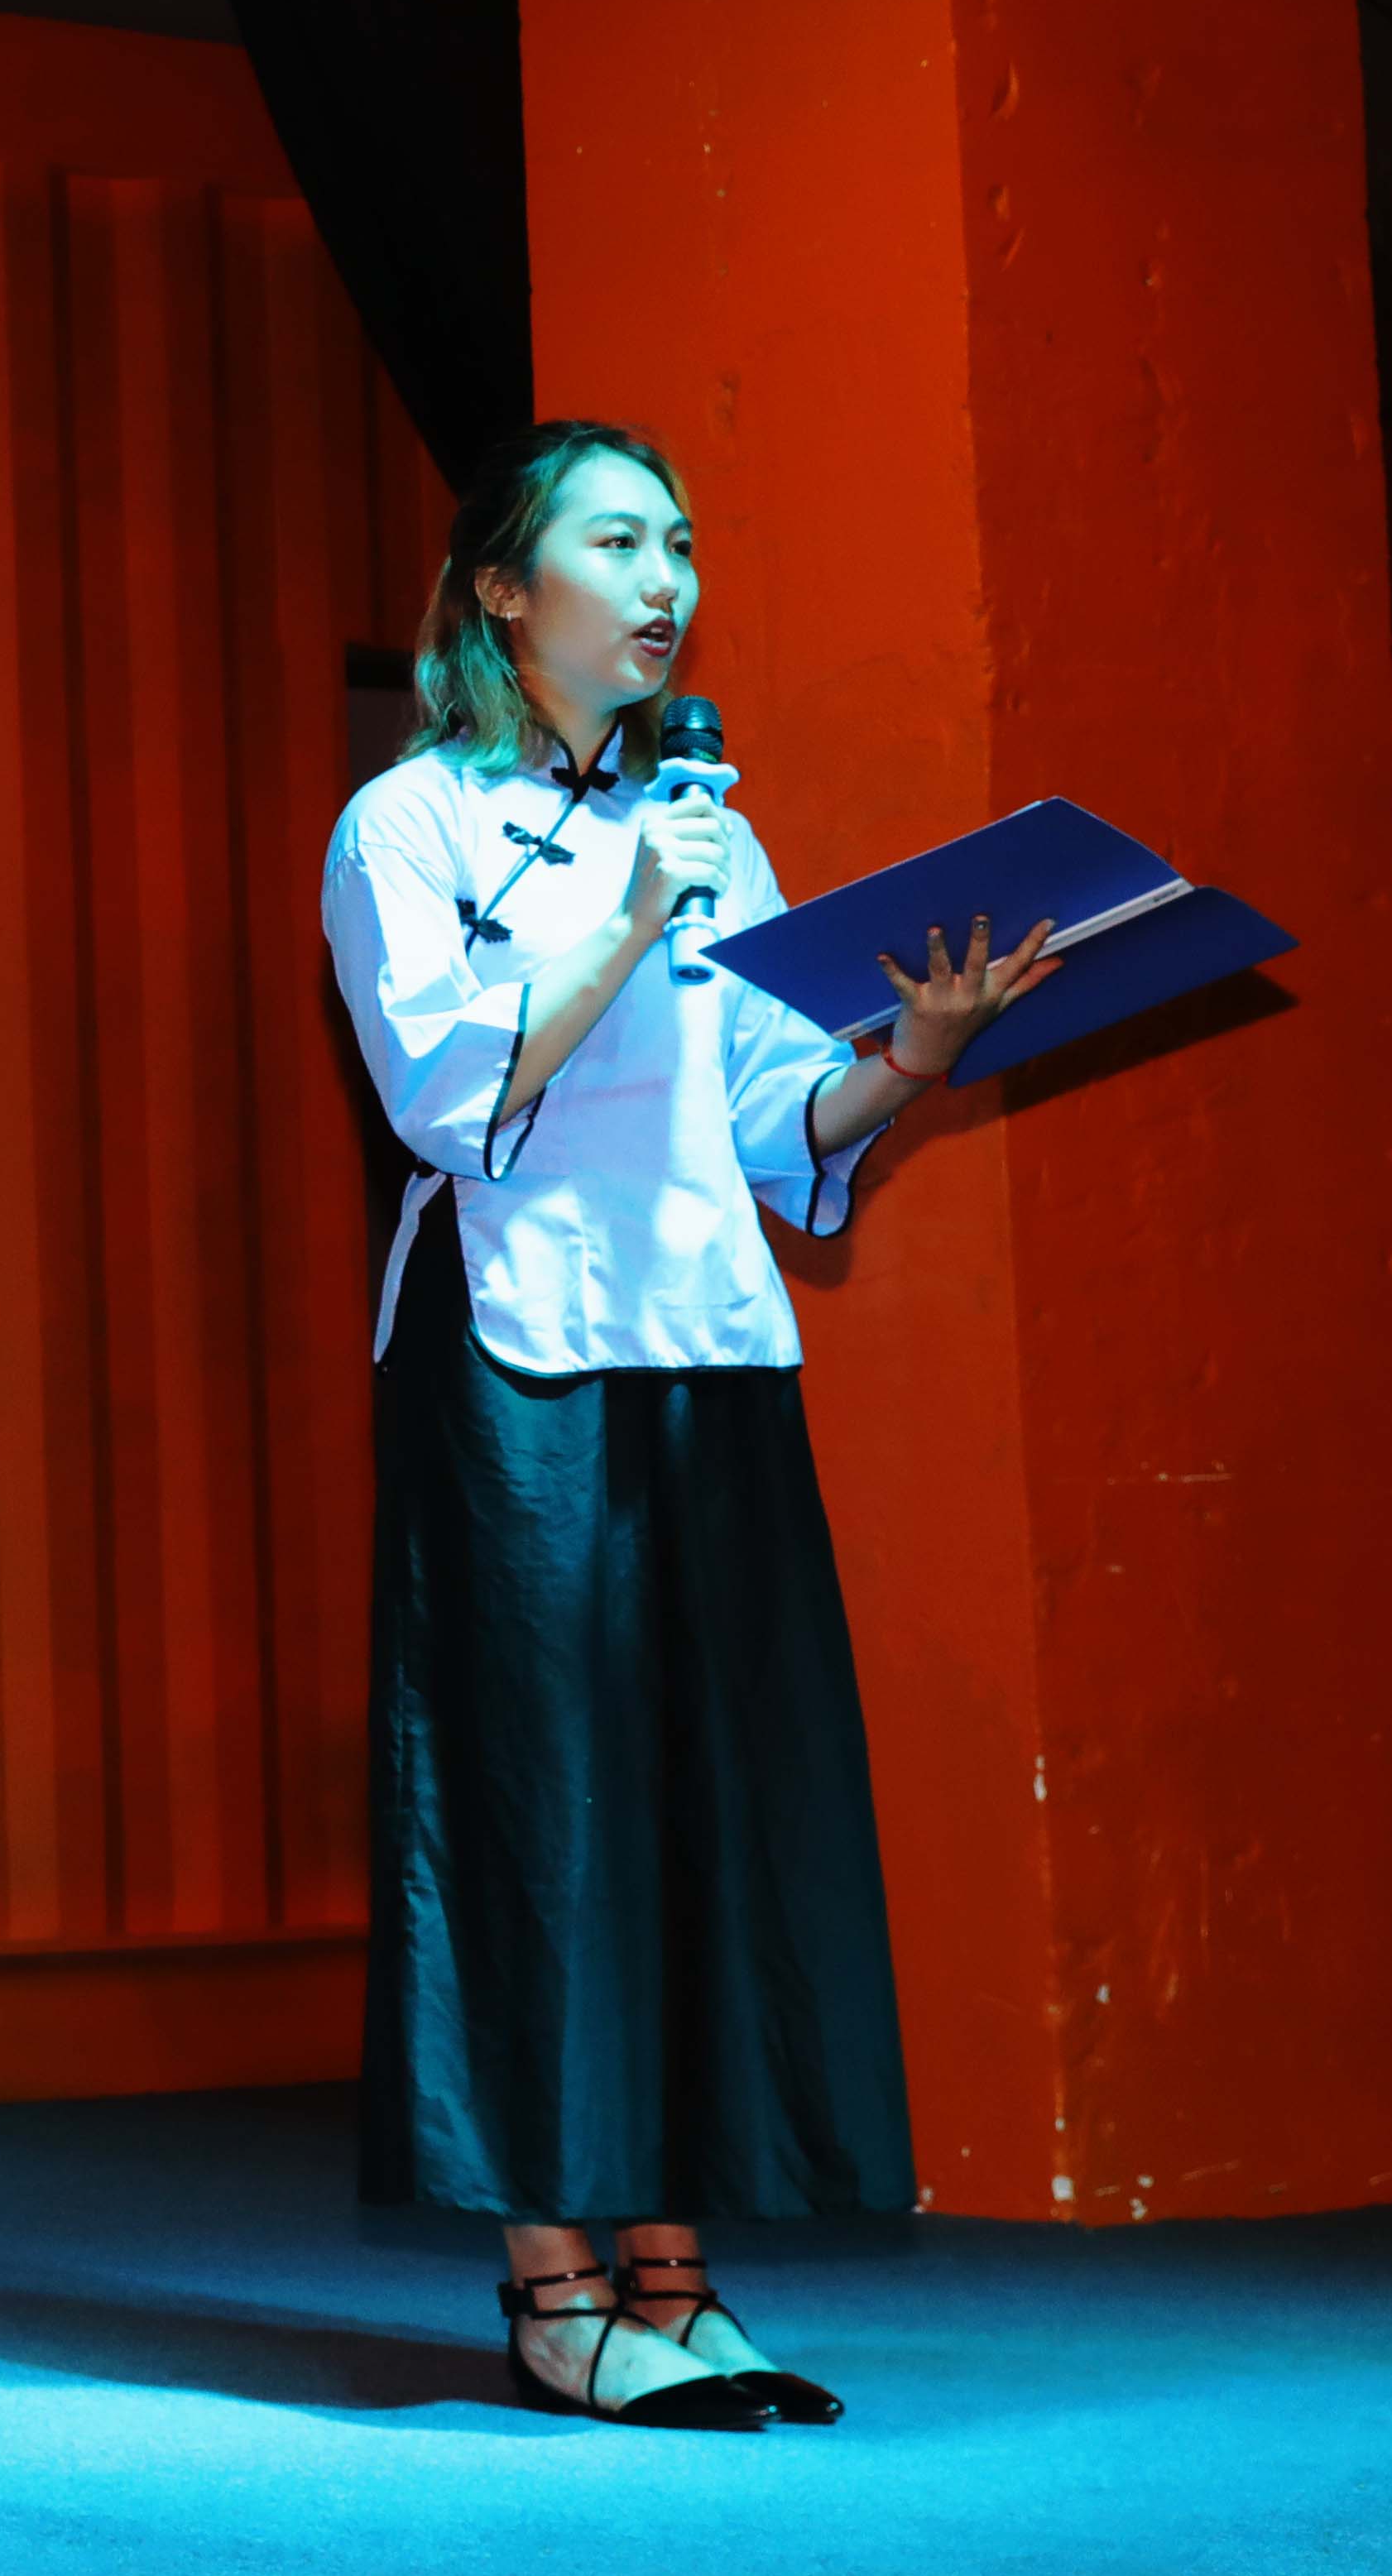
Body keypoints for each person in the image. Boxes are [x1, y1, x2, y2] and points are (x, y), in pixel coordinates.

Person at [320, 421, 1054, 2433]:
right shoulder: (407, 821)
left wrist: (918, 1051)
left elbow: (779, 1127)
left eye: (685, 546)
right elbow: (445, 1096)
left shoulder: (707, 824)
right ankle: (553, 2286)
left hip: (709, 1349)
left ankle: (675, 2271)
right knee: (539, 1809)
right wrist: (630, 915)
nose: (667, 583)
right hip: (515, 1359)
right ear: (503, 591)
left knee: (697, 1805)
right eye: (621, 542)